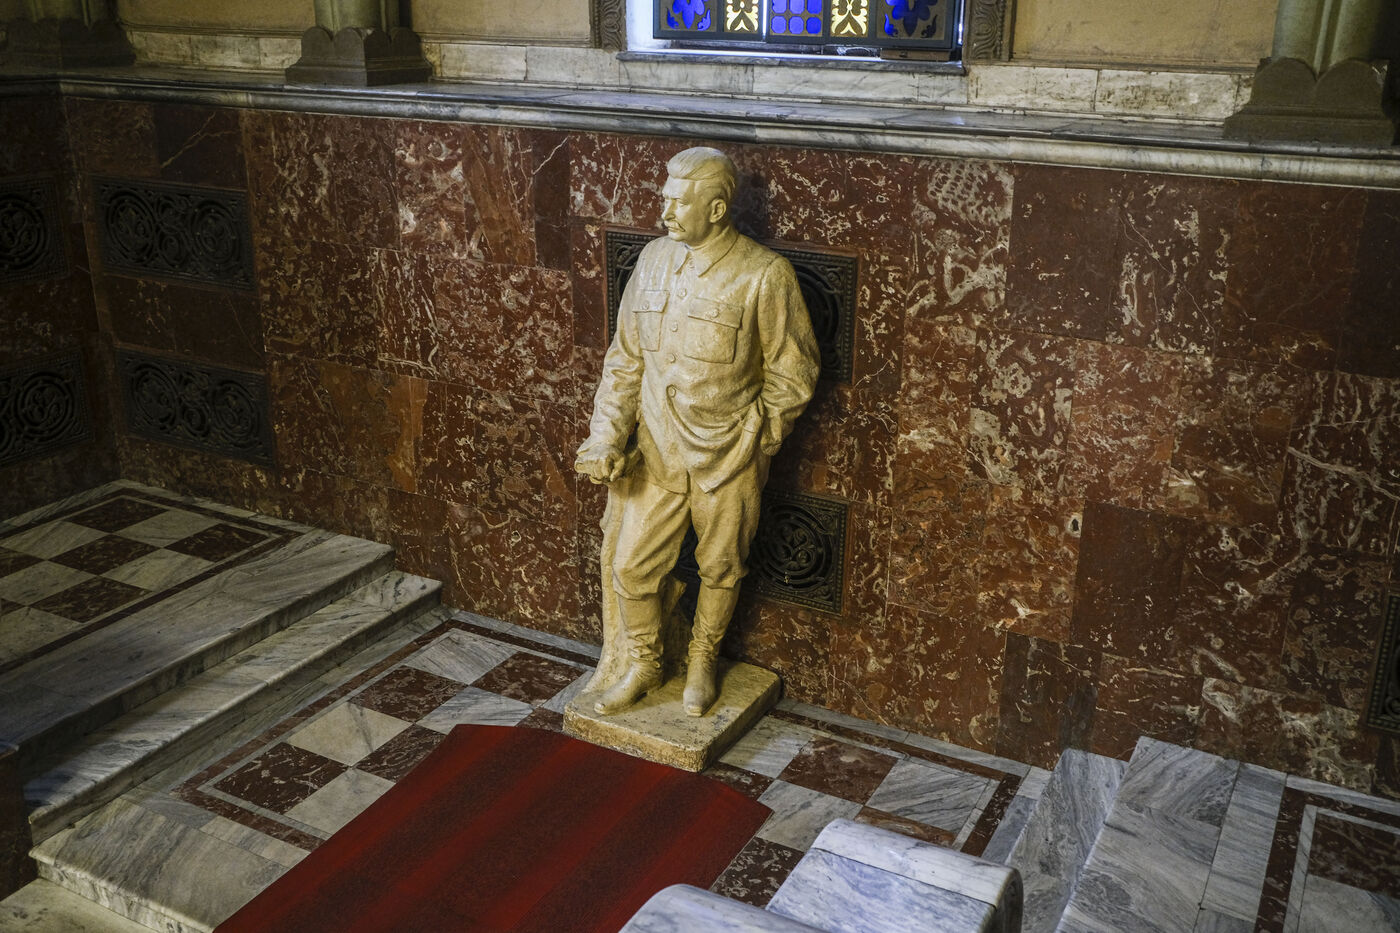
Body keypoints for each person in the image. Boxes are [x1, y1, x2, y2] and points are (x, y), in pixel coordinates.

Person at [574, 146, 820, 717]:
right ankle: (643, 663)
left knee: (722, 566)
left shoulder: (764, 274)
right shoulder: (652, 260)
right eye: (664, 199)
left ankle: (703, 658)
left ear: (715, 208)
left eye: (678, 203)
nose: (664, 212)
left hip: (728, 454)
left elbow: (794, 372)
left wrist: (759, 435)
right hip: (655, 450)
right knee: (631, 567)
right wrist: (605, 437)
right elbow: (625, 361)